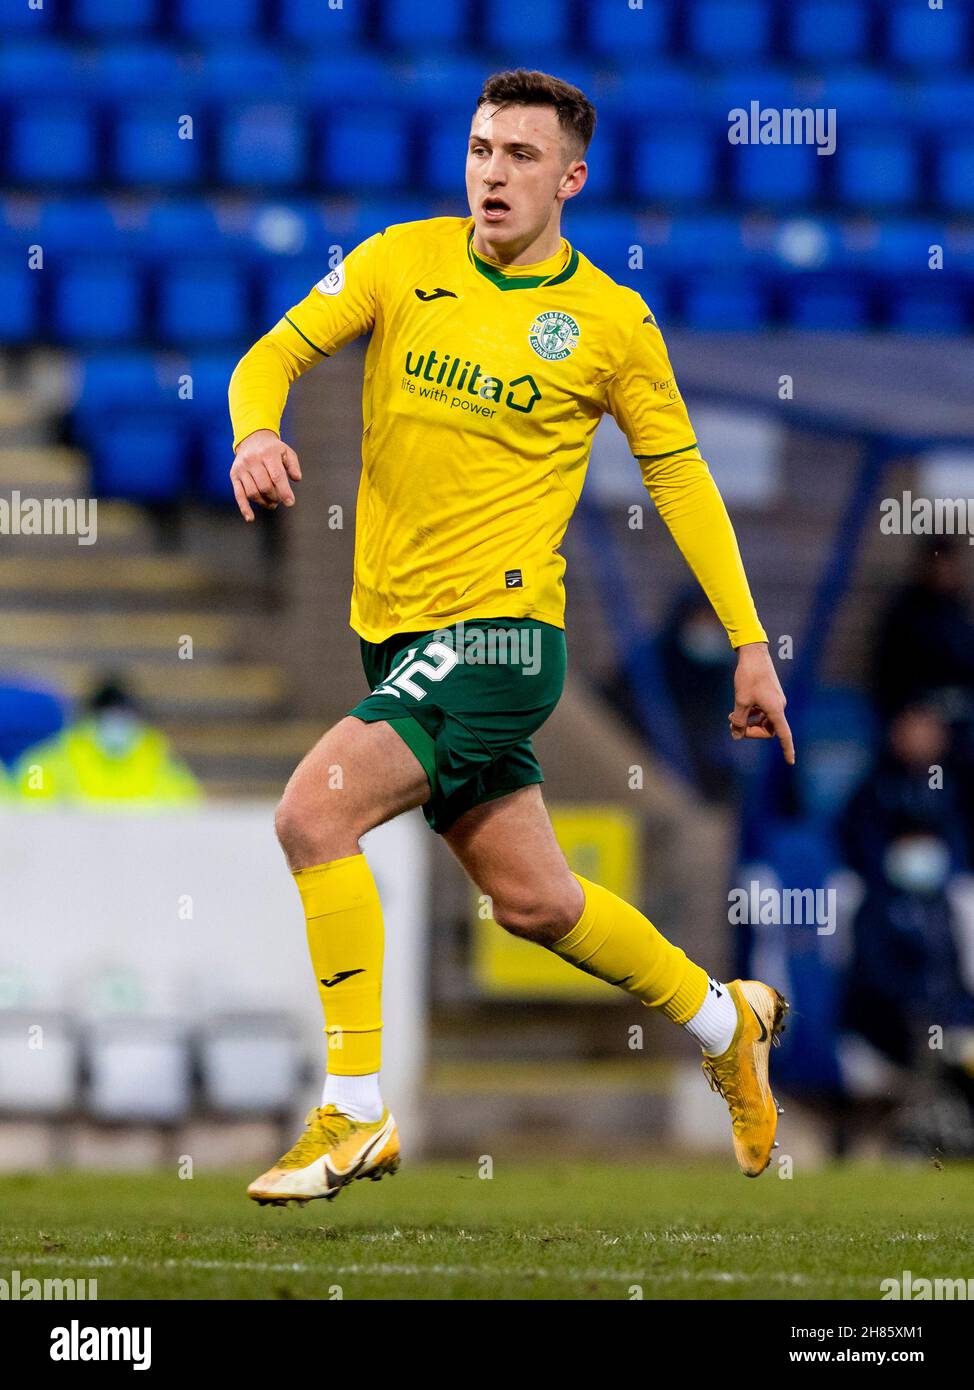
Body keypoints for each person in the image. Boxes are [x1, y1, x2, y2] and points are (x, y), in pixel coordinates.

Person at [228, 69, 793, 1205]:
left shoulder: (609, 323)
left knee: (312, 811)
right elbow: (273, 354)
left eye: (520, 156)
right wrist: (255, 432)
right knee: (536, 901)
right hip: (393, 638)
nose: (492, 171)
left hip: (500, 640)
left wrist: (746, 639)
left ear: (569, 178)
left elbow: (678, 481)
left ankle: (353, 1110)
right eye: (482, 148)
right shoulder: (398, 260)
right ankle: (723, 1018)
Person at [14, 678, 199, 806]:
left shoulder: (163, 767)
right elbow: (32, 817)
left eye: (123, 716)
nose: (116, 725)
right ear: (91, 718)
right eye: (108, 716)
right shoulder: (46, 765)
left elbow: (186, 816)